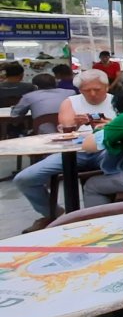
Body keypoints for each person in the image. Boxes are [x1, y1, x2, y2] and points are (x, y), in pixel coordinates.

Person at [13, 70, 115, 222]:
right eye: (87, 90)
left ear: (106, 87)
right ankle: (53, 214)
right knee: (25, 178)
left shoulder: (117, 101)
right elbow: (66, 129)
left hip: (106, 149)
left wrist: (111, 125)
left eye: (97, 89)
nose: (92, 94)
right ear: (80, 90)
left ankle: (106, 215)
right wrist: (75, 124)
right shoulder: (71, 102)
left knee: (119, 170)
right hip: (74, 151)